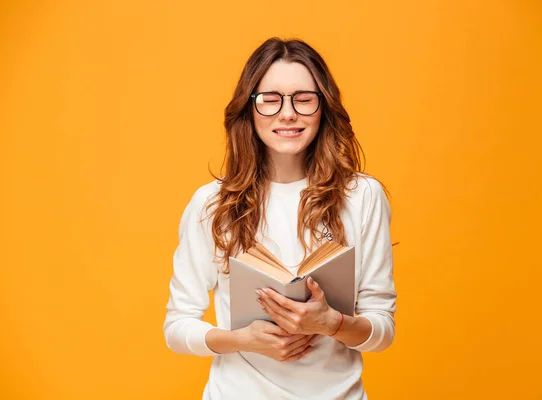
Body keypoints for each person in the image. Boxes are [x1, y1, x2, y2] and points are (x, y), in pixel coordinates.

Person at [163, 37, 397, 400]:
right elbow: (177, 327)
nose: (288, 114)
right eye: (270, 100)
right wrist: (243, 340)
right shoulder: (211, 203)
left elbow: (382, 331)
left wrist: (331, 323)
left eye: (304, 99)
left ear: (324, 107)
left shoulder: (363, 196)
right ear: (249, 109)